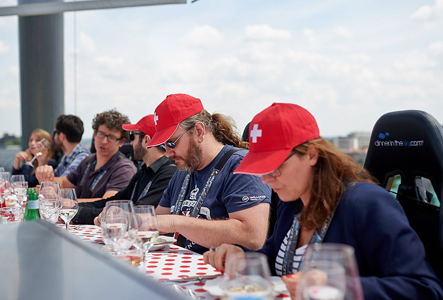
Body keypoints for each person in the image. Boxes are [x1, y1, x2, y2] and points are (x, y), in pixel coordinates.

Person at [203, 103, 443, 299]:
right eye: (261, 170)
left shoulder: (366, 203)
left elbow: (424, 288)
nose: (266, 180)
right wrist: (241, 257)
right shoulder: (292, 201)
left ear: (311, 154)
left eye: (275, 167)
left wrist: (339, 287)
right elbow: (276, 257)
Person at [149, 93, 271, 254]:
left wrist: (175, 222)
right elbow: (156, 223)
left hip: (225, 275)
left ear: (199, 131)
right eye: (164, 146)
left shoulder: (240, 165)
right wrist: (130, 218)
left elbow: (253, 235)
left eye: (172, 143)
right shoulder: (184, 169)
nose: (168, 153)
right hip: (185, 272)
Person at [78, 114, 176, 225]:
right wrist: (75, 208)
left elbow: (136, 213)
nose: (131, 143)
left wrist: (79, 213)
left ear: (147, 140)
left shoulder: (168, 174)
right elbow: (113, 202)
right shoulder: (144, 171)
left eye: (133, 137)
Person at [35, 109, 137, 200]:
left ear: (121, 142)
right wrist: (46, 178)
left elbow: (108, 203)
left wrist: (62, 201)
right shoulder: (89, 160)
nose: (104, 141)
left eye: (111, 137)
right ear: (94, 135)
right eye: (101, 134)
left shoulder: (124, 168)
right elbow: (63, 183)